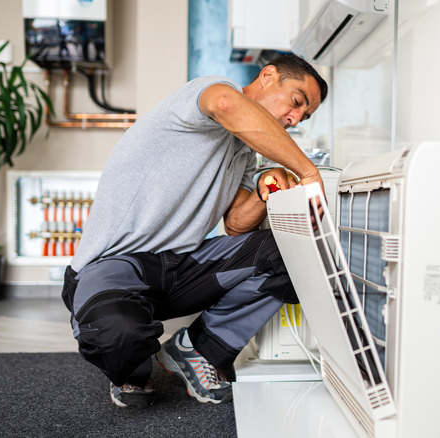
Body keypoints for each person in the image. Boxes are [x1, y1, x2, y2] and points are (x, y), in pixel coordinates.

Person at [61, 54, 328, 409]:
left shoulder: (245, 153)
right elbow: (225, 104)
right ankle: (133, 371)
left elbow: (235, 224)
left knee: (290, 253)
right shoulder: (209, 92)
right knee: (119, 337)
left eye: (304, 117)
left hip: (179, 268)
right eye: (297, 102)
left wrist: (266, 187)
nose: (295, 119)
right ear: (267, 76)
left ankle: (197, 348)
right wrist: (308, 172)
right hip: (113, 269)